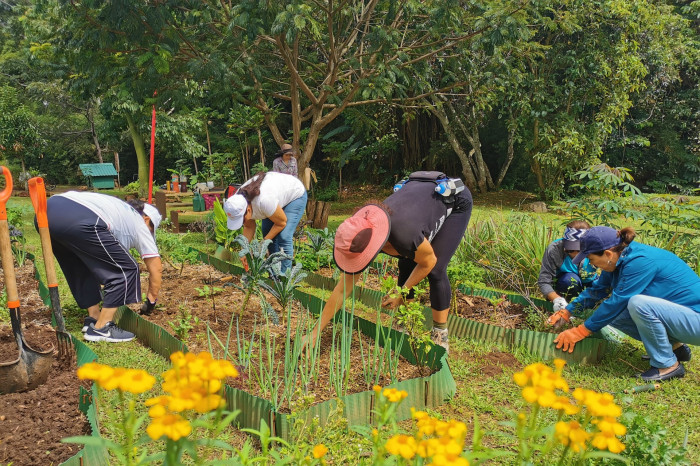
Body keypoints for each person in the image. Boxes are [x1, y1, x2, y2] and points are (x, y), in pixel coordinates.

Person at [305, 172, 473, 353]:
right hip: (416, 204)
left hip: (454, 200)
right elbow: (342, 289)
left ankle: (440, 333)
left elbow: (428, 262)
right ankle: (405, 320)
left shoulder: (404, 234)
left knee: (436, 270)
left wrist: (400, 293)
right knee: (406, 262)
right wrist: (315, 332)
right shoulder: (363, 227)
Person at [549, 226, 700, 381]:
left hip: (696, 321)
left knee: (637, 303)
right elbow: (598, 290)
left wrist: (580, 331)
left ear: (607, 253)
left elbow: (618, 301)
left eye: (592, 259)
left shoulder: (639, 261)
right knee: (616, 316)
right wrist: (567, 311)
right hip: (683, 318)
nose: (591, 264)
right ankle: (676, 349)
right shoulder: (618, 259)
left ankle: (667, 365)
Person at [44, 192, 163, 343]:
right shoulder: (140, 224)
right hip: (79, 218)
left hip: (47, 211)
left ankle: (93, 318)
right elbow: (156, 268)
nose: (150, 233)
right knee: (126, 269)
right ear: (146, 219)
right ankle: (102, 328)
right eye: (152, 229)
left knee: (81, 265)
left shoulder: (118, 210)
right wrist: (151, 302)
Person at [224, 171, 307, 273]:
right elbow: (249, 227)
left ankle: (285, 278)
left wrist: (262, 244)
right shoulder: (237, 202)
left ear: (248, 210)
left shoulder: (264, 201)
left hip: (294, 195)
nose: (242, 223)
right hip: (274, 197)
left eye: (242, 219)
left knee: (284, 236)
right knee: (268, 234)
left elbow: (281, 222)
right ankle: (274, 274)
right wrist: (244, 251)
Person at [538, 220, 598, 316]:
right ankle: (565, 309)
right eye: (568, 248)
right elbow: (544, 281)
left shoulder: (595, 250)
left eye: (576, 250)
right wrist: (557, 299)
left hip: (589, 283)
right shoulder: (555, 249)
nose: (570, 252)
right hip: (564, 285)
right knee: (569, 279)